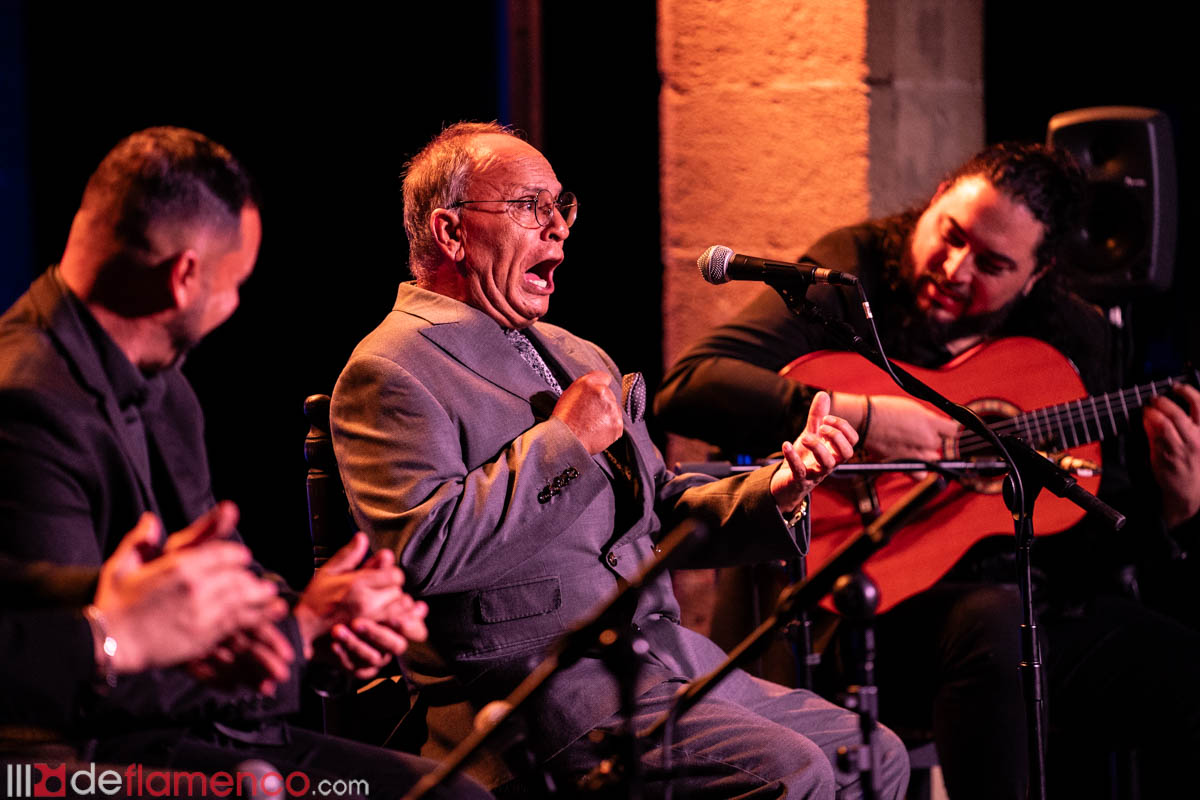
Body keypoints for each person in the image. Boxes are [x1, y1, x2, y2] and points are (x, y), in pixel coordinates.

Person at [329, 121, 908, 799]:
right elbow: (421, 553)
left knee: (874, 754)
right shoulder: (391, 368)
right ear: (452, 233)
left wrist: (780, 485)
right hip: (536, 688)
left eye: (560, 207)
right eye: (528, 207)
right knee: (794, 772)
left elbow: (659, 509)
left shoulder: (575, 351)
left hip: (660, 658)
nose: (558, 229)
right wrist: (563, 444)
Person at [655, 142, 1200, 798]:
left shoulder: (1070, 341)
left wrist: (1170, 511)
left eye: (994, 264)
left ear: (1037, 273)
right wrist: (864, 417)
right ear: (938, 195)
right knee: (994, 627)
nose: (955, 267)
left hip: (1022, 609)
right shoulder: (850, 274)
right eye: (951, 234)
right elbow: (689, 386)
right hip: (854, 610)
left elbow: (1083, 545)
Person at [0, 127, 490, 799]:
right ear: (185, 278)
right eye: (235, 286)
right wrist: (297, 633)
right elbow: (66, 672)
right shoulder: (25, 405)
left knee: (454, 794)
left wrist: (322, 623)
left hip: (201, 732)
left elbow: (212, 594)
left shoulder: (167, 386)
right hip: (88, 762)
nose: (234, 307)